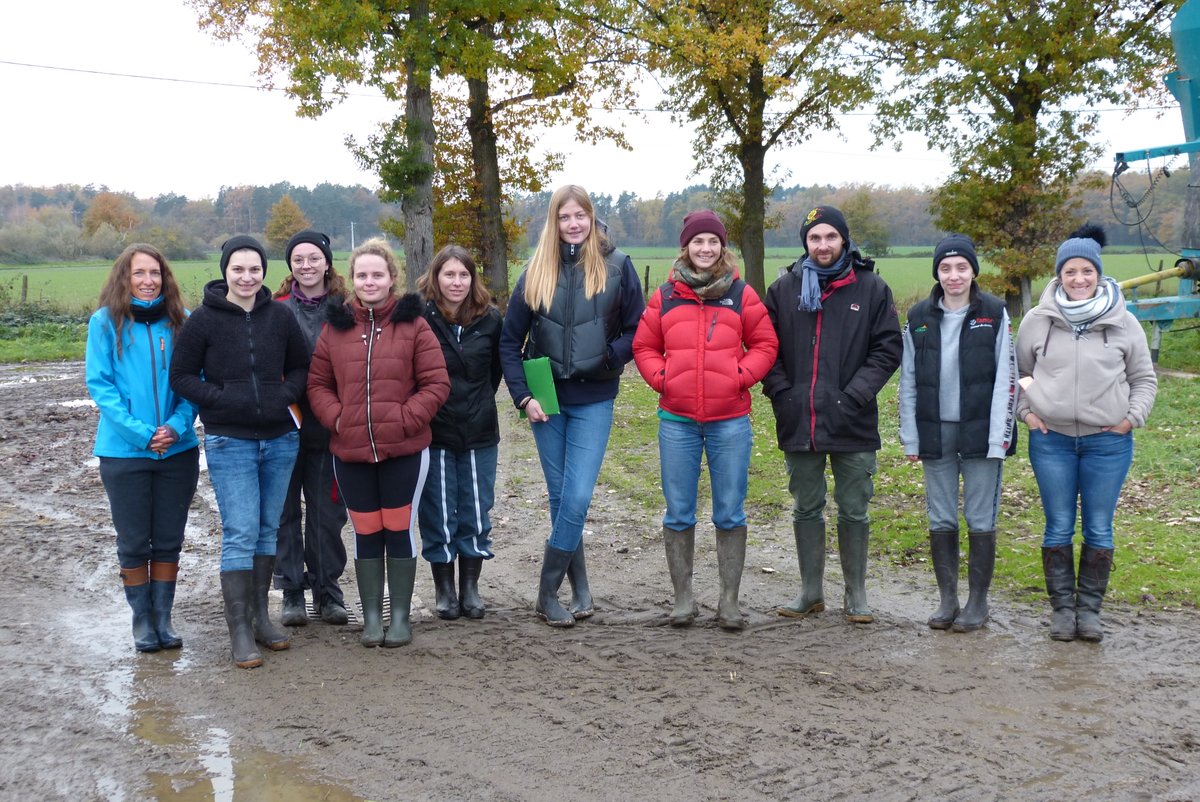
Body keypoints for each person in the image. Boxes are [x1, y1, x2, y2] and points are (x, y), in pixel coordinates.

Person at [499, 184, 645, 628]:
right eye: (565, 217)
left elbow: (637, 328)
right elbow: (509, 341)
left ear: (591, 216)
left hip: (594, 397)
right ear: (554, 222)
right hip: (547, 401)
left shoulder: (617, 267)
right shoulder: (534, 272)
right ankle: (578, 589)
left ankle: (546, 593)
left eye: (580, 214)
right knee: (563, 498)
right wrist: (523, 397)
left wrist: (611, 357)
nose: (573, 223)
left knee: (577, 496)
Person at [633, 210, 778, 630]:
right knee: (678, 512)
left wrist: (739, 377)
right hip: (676, 421)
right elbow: (644, 345)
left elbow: (766, 343)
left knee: (730, 512)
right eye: (698, 242)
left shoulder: (740, 293)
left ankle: (728, 601)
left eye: (712, 242)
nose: (705, 248)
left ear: (722, 247)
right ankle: (683, 598)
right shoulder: (666, 296)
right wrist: (663, 379)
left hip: (729, 420)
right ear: (686, 247)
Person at [170, 235, 309, 669]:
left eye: (254, 269)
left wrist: (283, 394)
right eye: (238, 269)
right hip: (230, 441)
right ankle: (240, 631)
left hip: (281, 439)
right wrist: (221, 400)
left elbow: (304, 367)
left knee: (269, 529)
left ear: (263, 272)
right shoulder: (203, 321)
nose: (246, 277)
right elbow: (182, 376)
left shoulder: (280, 316)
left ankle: (261, 618)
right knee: (241, 532)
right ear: (225, 270)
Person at [1016, 224, 1156, 643]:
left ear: (1099, 274)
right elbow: (1020, 374)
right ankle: (1062, 610)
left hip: (1108, 443)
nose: (1079, 279)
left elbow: (1144, 378)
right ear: (1058, 275)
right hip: (1051, 440)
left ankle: (1089, 611)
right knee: (1058, 526)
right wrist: (1028, 412)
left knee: (1099, 527)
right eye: (1070, 271)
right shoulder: (1037, 322)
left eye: (1087, 271)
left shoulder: (1124, 322)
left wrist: (1130, 419)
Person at [307, 237, 450, 648]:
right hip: (350, 451)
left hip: (403, 449)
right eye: (362, 275)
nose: (370, 281)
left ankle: (399, 618)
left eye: (378, 274)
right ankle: (372, 617)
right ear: (352, 279)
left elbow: (436, 383)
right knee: (366, 531)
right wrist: (337, 417)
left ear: (392, 278)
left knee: (399, 528)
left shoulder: (414, 325)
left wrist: (406, 419)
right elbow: (318, 383)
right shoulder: (335, 328)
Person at [762, 205, 902, 624]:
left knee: (854, 508)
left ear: (844, 240)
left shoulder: (871, 288)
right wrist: (783, 394)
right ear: (805, 243)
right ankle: (810, 591)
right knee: (806, 506)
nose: (823, 245)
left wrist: (853, 395)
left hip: (852, 420)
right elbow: (766, 348)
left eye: (830, 237)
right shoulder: (783, 290)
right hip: (799, 419)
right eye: (814, 238)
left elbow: (887, 349)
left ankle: (856, 594)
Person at [899, 235, 1017, 632]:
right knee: (941, 515)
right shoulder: (917, 318)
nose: (954, 275)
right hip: (935, 432)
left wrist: (1001, 436)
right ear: (936, 272)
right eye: (946, 268)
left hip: (982, 433)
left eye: (961, 267)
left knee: (980, 515)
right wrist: (910, 437)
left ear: (973, 271)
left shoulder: (995, 313)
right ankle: (948, 599)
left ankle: (978, 603)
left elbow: (1007, 378)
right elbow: (909, 381)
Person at [86, 244, 201, 653]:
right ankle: (142, 621)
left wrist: (175, 426)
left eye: (155, 273)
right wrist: (141, 434)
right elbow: (101, 387)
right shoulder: (105, 323)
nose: (148, 280)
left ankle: (163, 617)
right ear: (125, 278)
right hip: (123, 452)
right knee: (134, 542)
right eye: (139, 273)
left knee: (169, 539)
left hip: (178, 450)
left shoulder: (183, 323)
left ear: (165, 278)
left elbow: (194, 383)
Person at [416, 245, 503, 620]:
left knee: (476, 510)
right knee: (437, 511)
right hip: (432, 430)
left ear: (473, 279)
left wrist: (477, 403)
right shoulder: (419, 318)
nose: (456, 282)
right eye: (449, 274)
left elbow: (497, 371)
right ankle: (444, 589)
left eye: (463, 275)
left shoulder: (491, 319)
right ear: (436, 277)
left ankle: (470, 587)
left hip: (479, 429)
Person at [272, 230, 350, 627]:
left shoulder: (344, 308)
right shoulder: (276, 308)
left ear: (326, 262)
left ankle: (327, 590)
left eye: (313, 258)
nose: (306, 265)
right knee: (285, 512)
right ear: (290, 265)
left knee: (327, 513)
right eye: (298, 259)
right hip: (283, 425)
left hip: (331, 426)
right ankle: (291, 591)